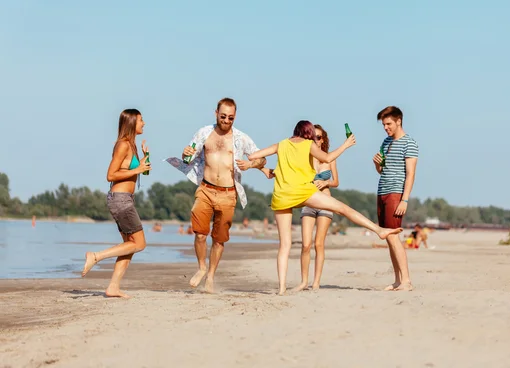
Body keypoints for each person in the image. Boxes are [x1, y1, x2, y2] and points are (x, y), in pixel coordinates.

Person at [248, 120, 403, 295]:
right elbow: (328, 158)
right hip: (303, 192)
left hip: (281, 196)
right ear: (308, 134)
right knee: (342, 208)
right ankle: (378, 230)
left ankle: (282, 288)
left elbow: (253, 156)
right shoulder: (308, 145)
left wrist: (255, 166)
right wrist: (346, 144)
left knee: (284, 245)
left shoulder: (282, 144)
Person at [166, 98, 271, 293]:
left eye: (230, 118)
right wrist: (185, 153)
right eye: (223, 116)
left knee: (219, 240)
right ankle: (201, 267)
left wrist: (251, 164)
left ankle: (211, 275)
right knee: (199, 234)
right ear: (216, 113)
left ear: (235, 117)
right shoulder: (204, 133)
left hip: (228, 192)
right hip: (205, 189)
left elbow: (261, 158)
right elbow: (189, 156)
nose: (226, 121)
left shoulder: (241, 138)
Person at [81, 109, 151, 299]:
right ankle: (96, 256)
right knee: (140, 244)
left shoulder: (131, 145)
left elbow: (134, 171)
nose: (144, 123)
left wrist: (144, 161)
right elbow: (110, 175)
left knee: (129, 245)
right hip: (120, 200)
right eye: (141, 120)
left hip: (124, 199)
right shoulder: (123, 145)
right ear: (131, 123)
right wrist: (138, 168)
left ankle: (113, 287)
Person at [372, 106, 418, 291]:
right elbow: (382, 171)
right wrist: (376, 165)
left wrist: (404, 199)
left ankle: (406, 281)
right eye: (384, 124)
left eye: (388, 124)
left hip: (395, 194)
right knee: (388, 237)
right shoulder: (386, 142)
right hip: (382, 191)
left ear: (399, 121)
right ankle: (398, 280)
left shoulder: (409, 143)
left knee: (393, 236)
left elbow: (411, 173)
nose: (386, 127)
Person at [294, 124, 339, 291]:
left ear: (324, 140)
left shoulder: (330, 158)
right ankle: (303, 281)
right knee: (306, 244)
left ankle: (316, 282)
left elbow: (336, 181)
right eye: (314, 137)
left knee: (319, 244)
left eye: (319, 137)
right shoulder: (306, 157)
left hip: (326, 202)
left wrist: (326, 182)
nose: (316, 140)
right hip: (309, 201)